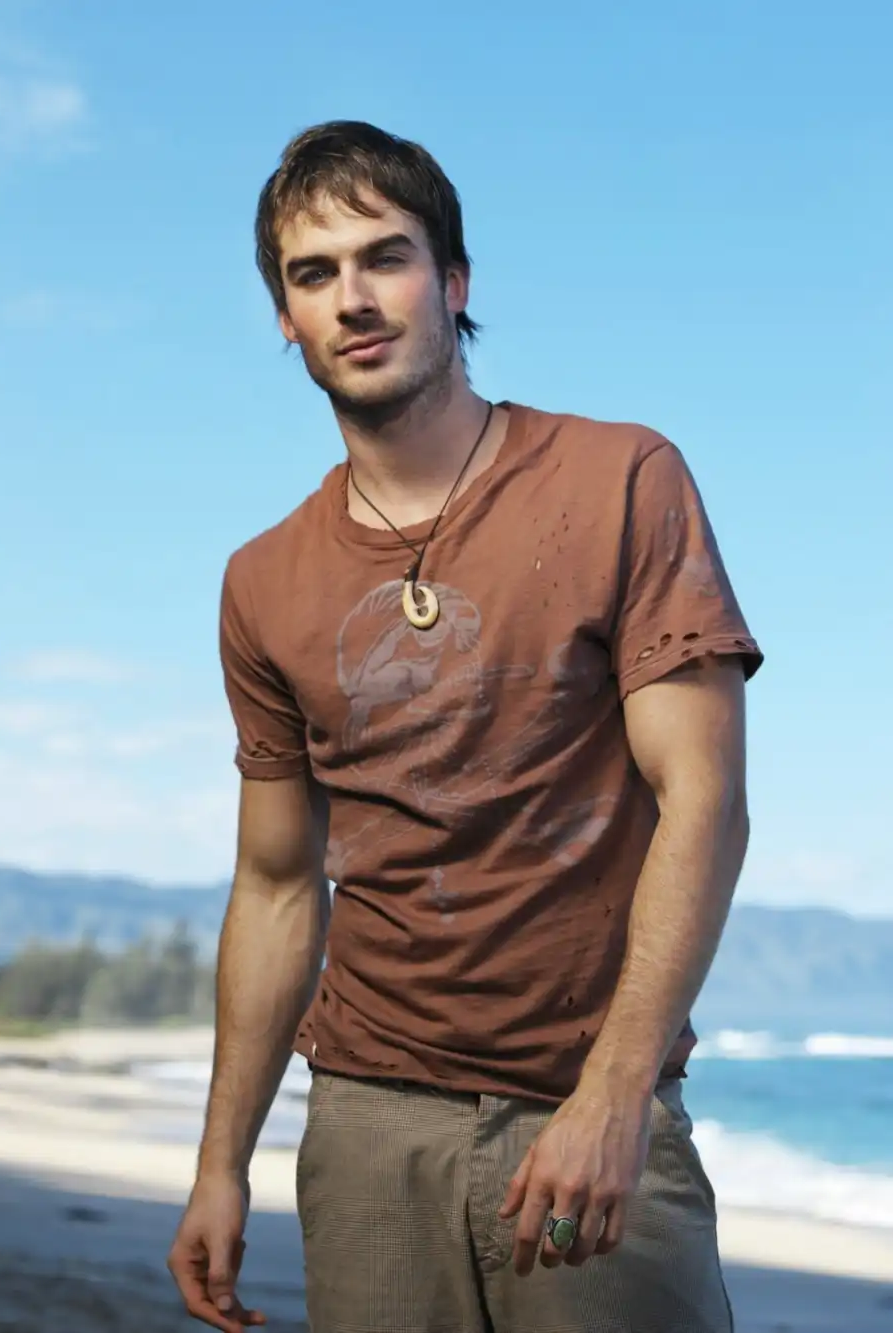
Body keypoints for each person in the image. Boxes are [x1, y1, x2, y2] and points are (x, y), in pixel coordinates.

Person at [167, 120, 763, 1333]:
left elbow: (702, 802)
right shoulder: (261, 580)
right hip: (365, 1127)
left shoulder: (619, 480)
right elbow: (276, 884)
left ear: (451, 282)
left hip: (586, 1114)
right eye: (314, 274)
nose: (352, 299)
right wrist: (220, 1163)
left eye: (383, 257)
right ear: (285, 317)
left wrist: (614, 1095)